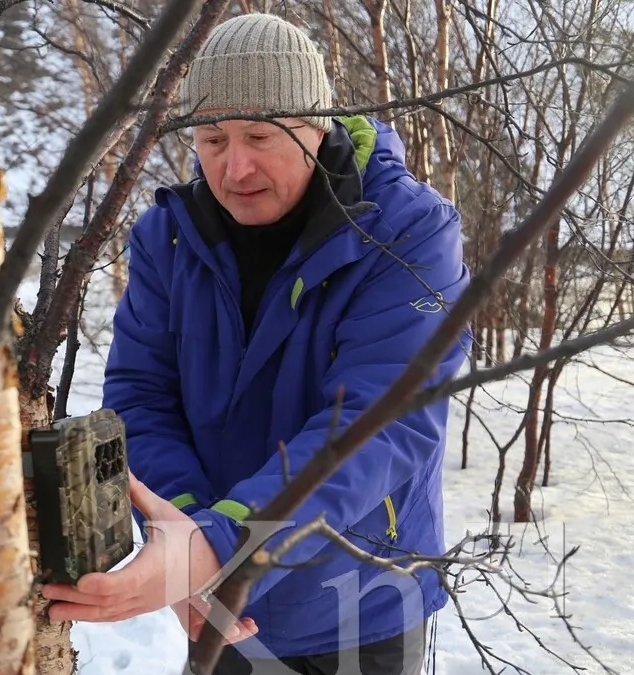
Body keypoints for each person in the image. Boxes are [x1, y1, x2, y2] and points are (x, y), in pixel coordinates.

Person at [42, 13, 471, 675]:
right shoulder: (168, 236)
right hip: (216, 596)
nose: (233, 166)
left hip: (362, 598)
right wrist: (185, 529)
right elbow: (143, 398)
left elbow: (380, 423)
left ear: (316, 124)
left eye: (259, 136)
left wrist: (219, 544)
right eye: (212, 138)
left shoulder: (409, 232)